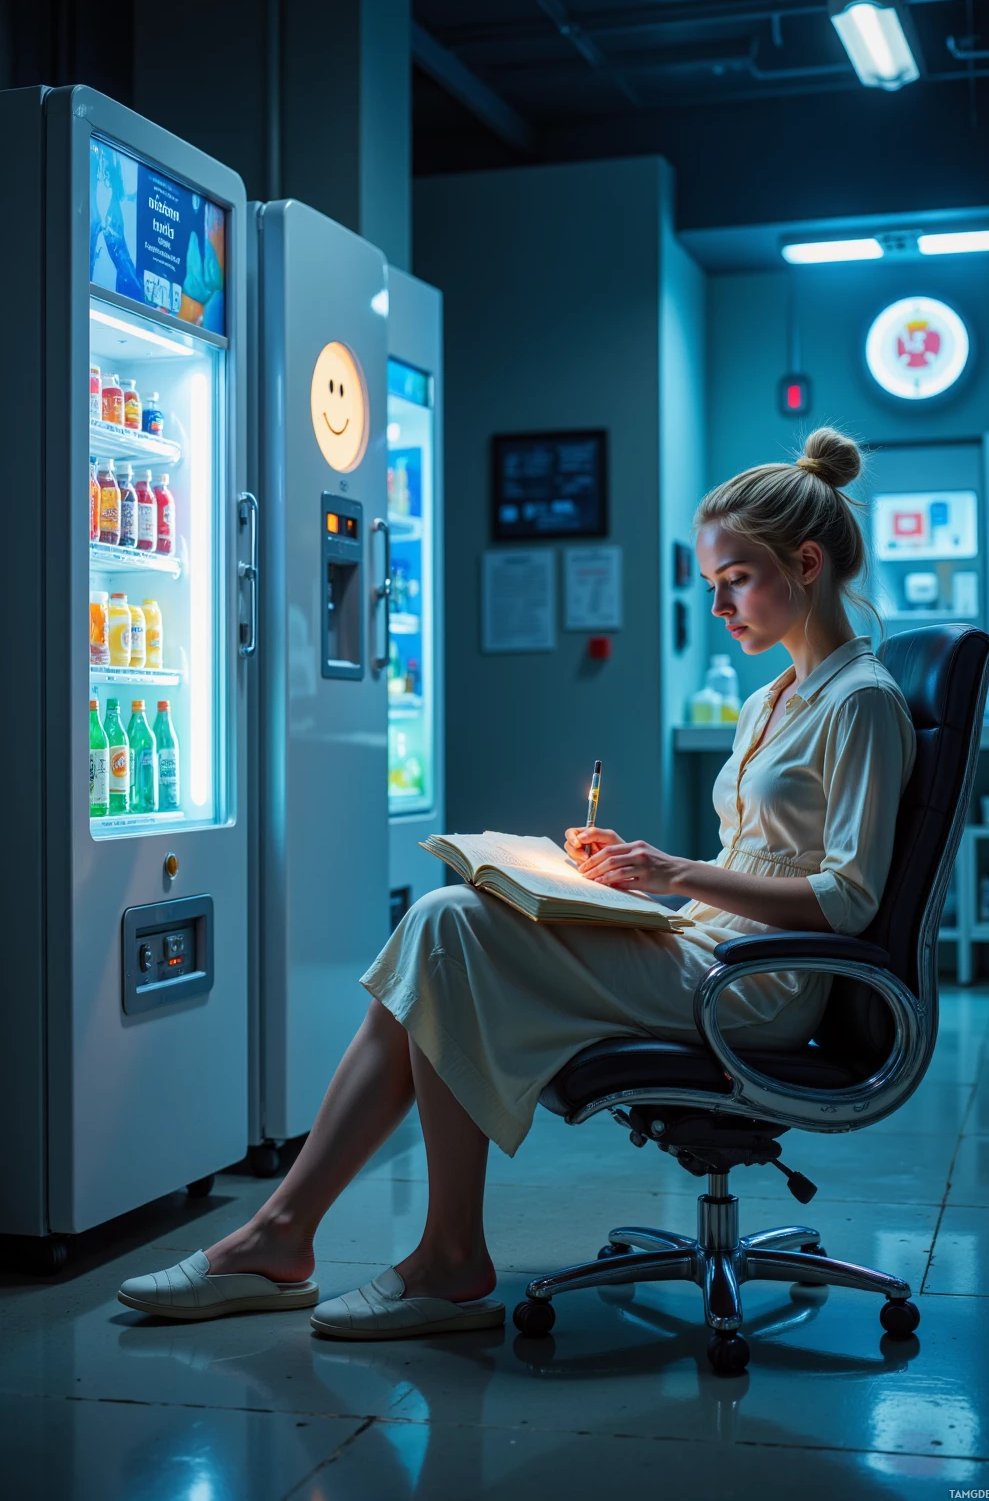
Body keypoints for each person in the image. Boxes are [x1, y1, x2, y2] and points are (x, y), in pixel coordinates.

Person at [119, 426, 915, 1340]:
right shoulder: (771, 699)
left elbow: (847, 898)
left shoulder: (861, 702)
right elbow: (755, 859)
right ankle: (297, 1236)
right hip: (706, 944)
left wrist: (672, 871)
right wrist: (634, 881)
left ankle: (387, 1250)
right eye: (711, 584)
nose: (720, 602)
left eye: (735, 578)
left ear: (806, 562)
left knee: (448, 927)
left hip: (761, 987)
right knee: (442, 924)